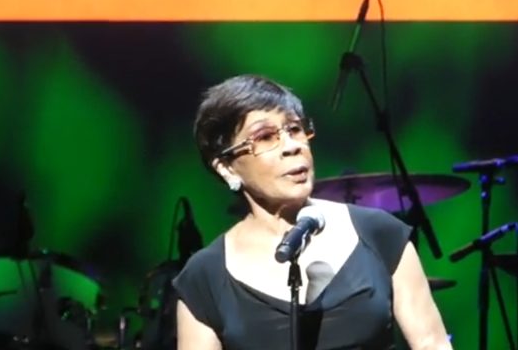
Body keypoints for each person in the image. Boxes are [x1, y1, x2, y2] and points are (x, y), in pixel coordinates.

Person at [173, 74, 452, 349]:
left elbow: (432, 343)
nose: (292, 146)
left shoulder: (379, 232)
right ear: (226, 167)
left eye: (295, 130)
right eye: (266, 137)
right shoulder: (204, 276)